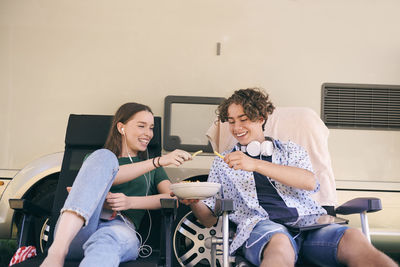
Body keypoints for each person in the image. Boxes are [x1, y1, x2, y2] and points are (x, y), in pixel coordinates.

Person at [180, 88, 397, 267]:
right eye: (231, 121)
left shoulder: (291, 150)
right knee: (280, 244)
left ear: (260, 118)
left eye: (243, 119)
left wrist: (255, 164)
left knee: (353, 238)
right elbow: (208, 219)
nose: (236, 128)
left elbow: (309, 181)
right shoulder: (223, 161)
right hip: (263, 227)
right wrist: (195, 201)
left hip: (311, 224)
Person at [41, 102, 192, 267]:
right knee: (104, 156)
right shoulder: (96, 160)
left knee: (106, 244)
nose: (148, 134)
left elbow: (171, 198)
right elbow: (112, 175)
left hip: (119, 228)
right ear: (121, 128)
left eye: (151, 128)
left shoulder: (153, 168)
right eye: (141, 126)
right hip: (80, 228)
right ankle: (56, 253)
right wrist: (157, 161)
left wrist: (130, 202)